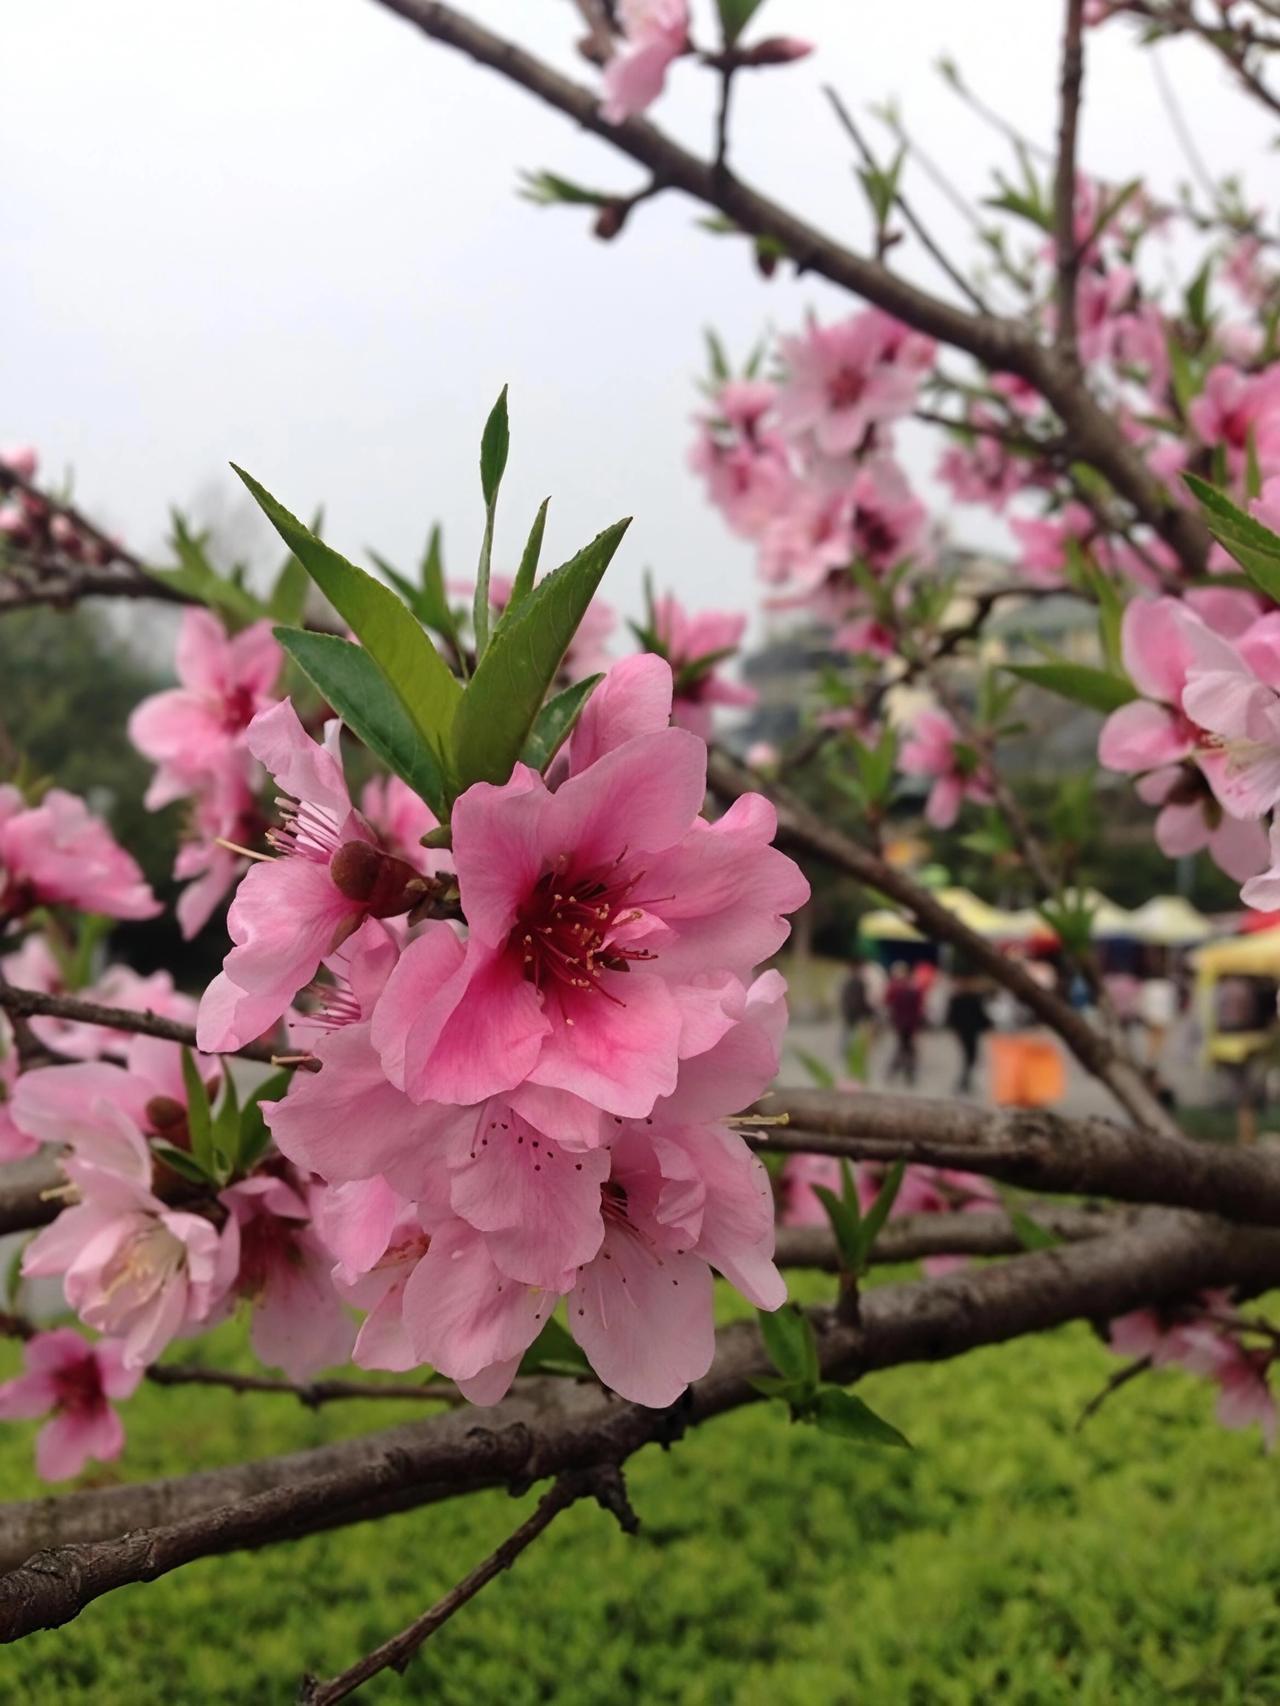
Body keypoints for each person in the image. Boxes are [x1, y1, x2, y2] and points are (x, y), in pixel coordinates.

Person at [946, 973, 991, 1096]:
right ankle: (964, 1081)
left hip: (964, 1031)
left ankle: (964, 1081)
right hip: (969, 1031)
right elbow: (981, 1015)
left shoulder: (958, 999)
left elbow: (951, 1017)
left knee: (970, 1056)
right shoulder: (970, 999)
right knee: (970, 1056)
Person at [884, 961, 924, 1086]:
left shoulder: (896, 988)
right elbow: (918, 1009)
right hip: (906, 1024)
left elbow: (887, 1001)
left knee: (905, 1048)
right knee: (906, 1048)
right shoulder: (912, 989)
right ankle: (904, 1073)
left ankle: (898, 1072)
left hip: (902, 1023)